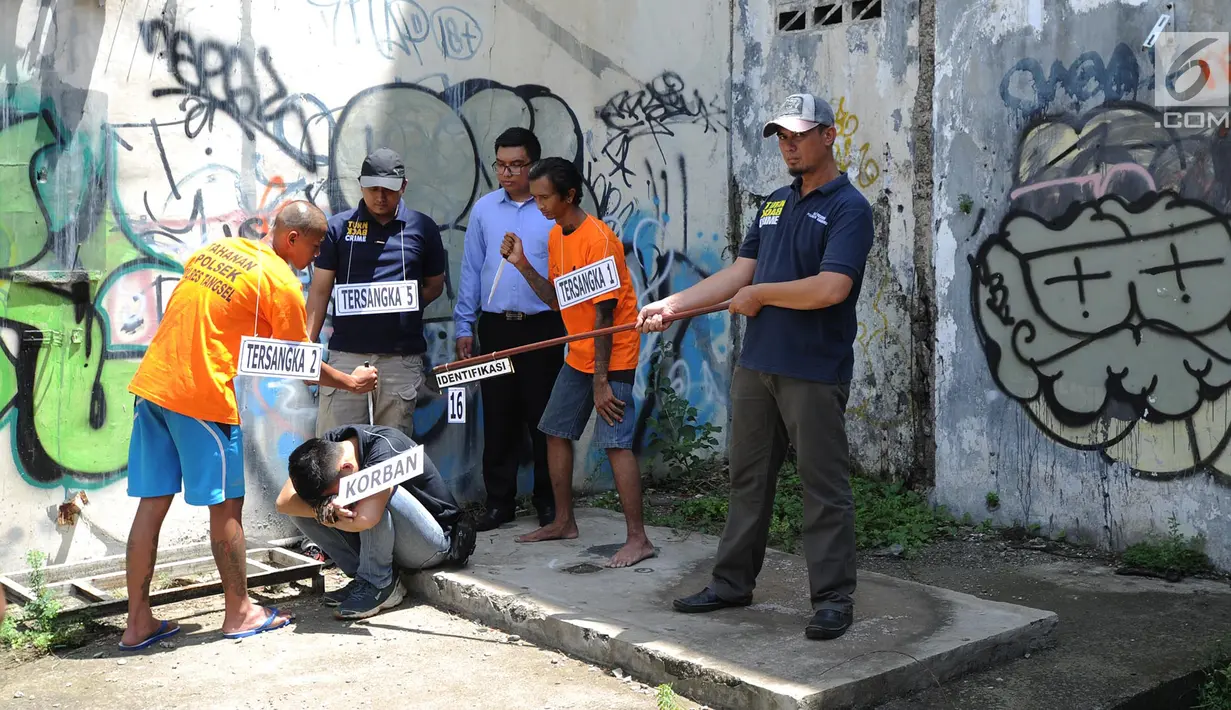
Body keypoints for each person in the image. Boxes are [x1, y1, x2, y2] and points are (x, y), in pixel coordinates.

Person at [636, 93, 874, 641]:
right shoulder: (772, 204)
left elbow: (831, 288)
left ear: (828, 136)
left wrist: (763, 295)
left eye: (799, 134)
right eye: (781, 137)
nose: (789, 146)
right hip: (758, 366)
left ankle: (834, 599)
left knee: (823, 486)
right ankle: (731, 583)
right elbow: (740, 273)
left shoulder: (848, 208)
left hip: (813, 370)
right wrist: (675, 305)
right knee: (748, 481)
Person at [121, 201, 379, 649]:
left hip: (154, 387)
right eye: (315, 248)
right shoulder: (278, 279)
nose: (315, 259)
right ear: (291, 238)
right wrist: (350, 382)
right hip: (201, 397)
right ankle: (239, 612)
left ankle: (138, 622)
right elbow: (302, 362)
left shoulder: (214, 252)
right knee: (227, 506)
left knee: (151, 506)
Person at [498, 157, 654, 568]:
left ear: (569, 195)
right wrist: (523, 265)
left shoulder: (598, 241)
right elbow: (557, 300)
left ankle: (639, 539)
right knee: (554, 430)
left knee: (616, 444)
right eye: (535, 198)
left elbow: (604, 317)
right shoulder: (555, 237)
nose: (539, 205)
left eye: (545, 197)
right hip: (580, 352)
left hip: (612, 353)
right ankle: (564, 521)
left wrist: (601, 382)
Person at [454, 128, 566, 532]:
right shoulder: (484, 210)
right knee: (498, 415)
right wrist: (465, 324)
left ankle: (548, 502)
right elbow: (471, 270)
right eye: (500, 164)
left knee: (544, 418)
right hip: (497, 327)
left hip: (544, 326)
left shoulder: (550, 212)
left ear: (533, 163)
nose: (506, 172)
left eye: (516, 165)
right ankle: (499, 503)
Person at [307, 147, 447, 436]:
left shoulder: (423, 228)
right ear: (360, 185)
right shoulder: (338, 228)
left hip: (401, 359)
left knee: (392, 454)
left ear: (404, 186)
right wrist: (307, 348)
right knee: (335, 449)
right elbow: (320, 292)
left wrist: (403, 306)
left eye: (389, 190)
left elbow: (435, 285)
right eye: (373, 189)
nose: (380, 197)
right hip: (346, 357)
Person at [275, 424, 477, 620]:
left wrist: (329, 514)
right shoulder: (328, 447)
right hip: (397, 538)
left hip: (433, 544)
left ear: (346, 467)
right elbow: (283, 502)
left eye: (333, 493)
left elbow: (366, 519)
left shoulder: (385, 449)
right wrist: (322, 508)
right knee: (303, 507)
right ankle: (364, 578)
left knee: (375, 493)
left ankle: (379, 584)